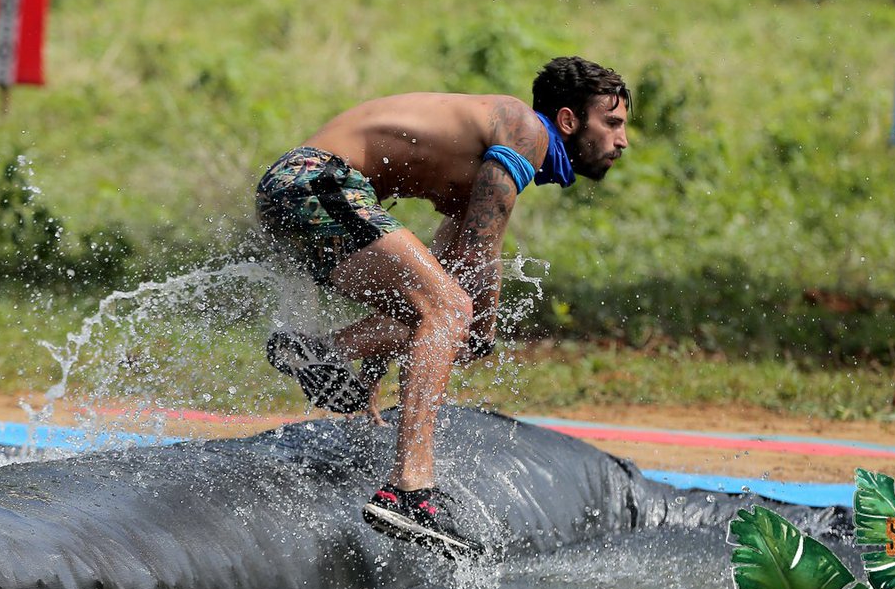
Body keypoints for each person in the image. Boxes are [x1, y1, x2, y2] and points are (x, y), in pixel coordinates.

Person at [256, 56, 630, 558]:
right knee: (452, 311)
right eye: (613, 123)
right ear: (568, 120)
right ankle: (411, 489)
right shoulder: (523, 128)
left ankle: (320, 350)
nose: (622, 141)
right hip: (313, 182)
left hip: (300, 191)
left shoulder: (479, 172)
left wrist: (372, 376)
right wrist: (482, 324)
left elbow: (441, 281)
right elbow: (480, 258)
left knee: (440, 310)